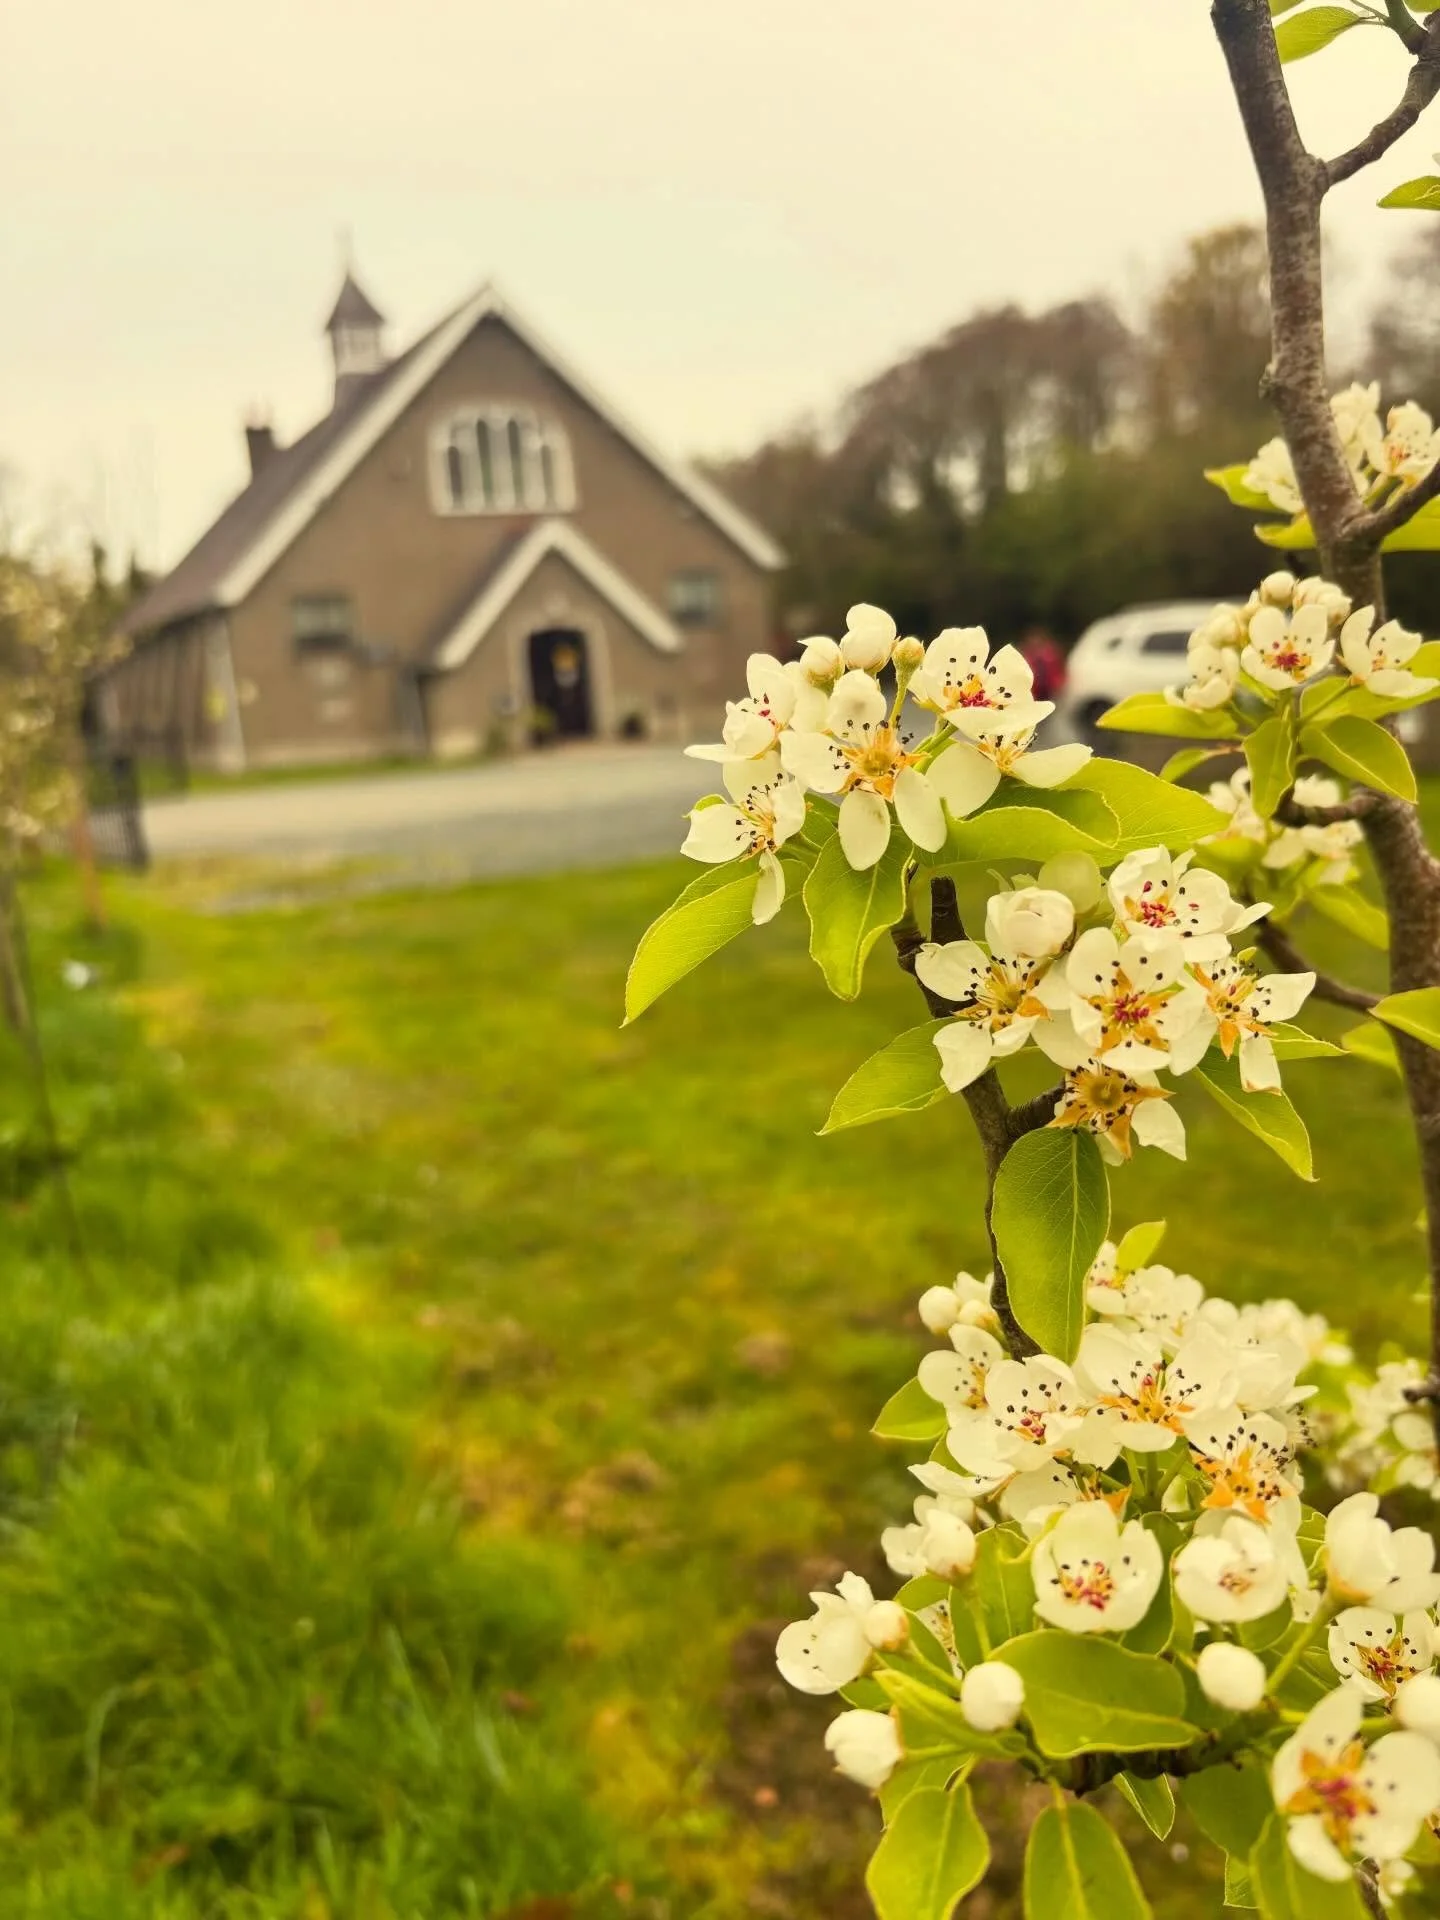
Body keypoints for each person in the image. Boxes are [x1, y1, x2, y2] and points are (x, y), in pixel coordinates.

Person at [1019, 626, 1066, 704]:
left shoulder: (1050, 653)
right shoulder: (1027, 654)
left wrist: (1058, 684)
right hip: (1033, 691)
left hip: (1049, 689)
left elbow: (1057, 670)